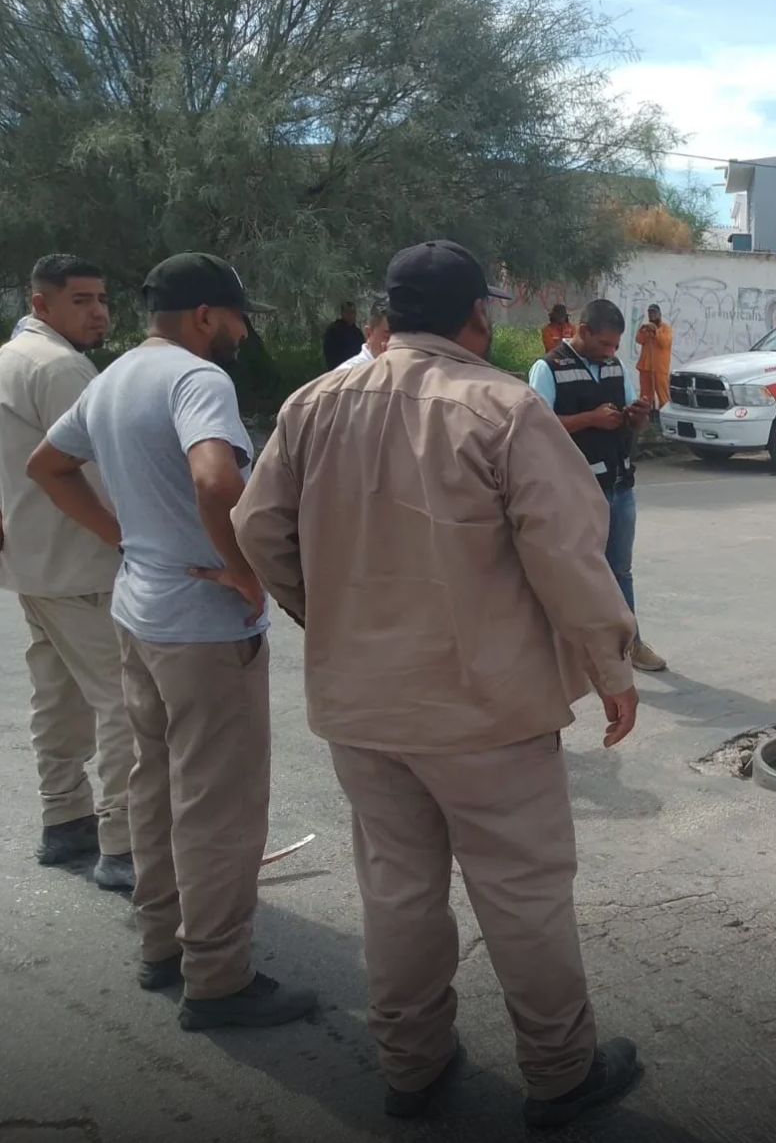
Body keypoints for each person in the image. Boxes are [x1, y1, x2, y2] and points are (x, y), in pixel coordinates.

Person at [233, 239, 643, 1127]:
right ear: (477, 316)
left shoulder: (312, 404)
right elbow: (569, 554)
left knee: (396, 890)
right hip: (484, 709)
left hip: (363, 707)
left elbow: (258, 529)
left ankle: (412, 1068)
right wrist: (611, 664)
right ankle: (561, 1074)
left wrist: (325, 616)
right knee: (523, 895)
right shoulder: (502, 407)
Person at [27, 252, 316, 1031]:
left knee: (153, 787)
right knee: (217, 808)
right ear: (203, 317)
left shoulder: (113, 375)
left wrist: (125, 539)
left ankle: (162, 946)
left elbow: (46, 466)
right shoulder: (198, 379)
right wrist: (247, 573)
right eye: (236, 317)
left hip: (139, 617)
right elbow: (217, 479)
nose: (242, 330)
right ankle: (218, 980)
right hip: (203, 629)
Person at [0, 255, 136, 890]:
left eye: (102, 297)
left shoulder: (9, 358)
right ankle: (124, 841)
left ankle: (64, 819)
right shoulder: (60, 367)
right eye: (81, 299)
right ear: (41, 303)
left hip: (33, 561)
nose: (99, 311)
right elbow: (96, 473)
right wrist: (131, 540)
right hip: (81, 561)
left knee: (57, 694)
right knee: (125, 703)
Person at [530, 300, 668, 674]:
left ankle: (630, 645)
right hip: (575, 491)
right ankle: (577, 654)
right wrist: (589, 419)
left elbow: (629, 422)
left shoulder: (613, 366)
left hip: (620, 485)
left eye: (615, 346)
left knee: (619, 570)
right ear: (584, 331)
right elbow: (536, 429)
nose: (611, 352)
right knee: (577, 573)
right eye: (606, 344)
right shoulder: (549, 367)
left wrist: (636, 417)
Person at [337, 296, 391, 370]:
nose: (396, 344)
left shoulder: (356, 331)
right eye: (388, 337)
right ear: (369, 333)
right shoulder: (348, 373)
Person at [635, 304, 673, 408]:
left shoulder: (666, 328)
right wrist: (642, 330)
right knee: (645, 395)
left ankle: (664, 416)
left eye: (654, 313)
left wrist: (655, 331)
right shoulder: (647, 329)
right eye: (650, 313)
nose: (651, 315)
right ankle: (647, 416)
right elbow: (639, 340)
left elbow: (665, 343)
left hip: (659, 368)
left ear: (660, 315)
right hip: (645, 367)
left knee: (663, 395)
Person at [322, 300, 363, 370]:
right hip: (339, 369)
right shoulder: (334, 330)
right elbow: (329, 352)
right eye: (348, 312)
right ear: (342, 313)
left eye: (353, 312)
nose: (351, 315)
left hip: (356, 368)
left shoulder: (357, 332)